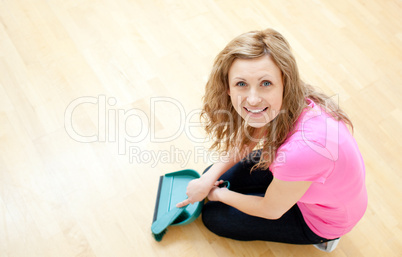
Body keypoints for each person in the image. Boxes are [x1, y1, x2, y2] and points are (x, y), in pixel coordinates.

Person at [176, 28, 367, 252]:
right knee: (213, 171)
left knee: (214, 216)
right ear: (227, 87)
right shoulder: (286, 101)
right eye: (241, 84)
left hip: (321, 217)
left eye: (265, 83)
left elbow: (270, 210)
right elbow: (251, 137)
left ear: (284, 82)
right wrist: (207, 179)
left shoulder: (302, 151)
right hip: (299, 172)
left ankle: (326, 239)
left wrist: (217, 193)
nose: (254, 99)